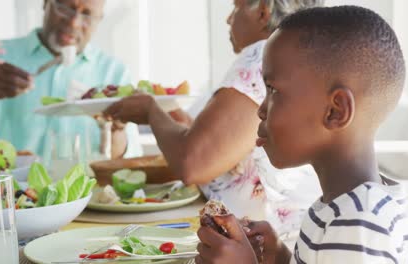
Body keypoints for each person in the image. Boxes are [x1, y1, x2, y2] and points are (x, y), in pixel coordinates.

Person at [195, 6, 408, 264]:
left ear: (335, 111)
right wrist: (280, 256)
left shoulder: (359, 224)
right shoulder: (339, 206)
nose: (261, 109)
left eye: (274, 90)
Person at [104, 0, 323, 234]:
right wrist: (183, 128)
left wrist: (151, 111)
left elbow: (193, 165)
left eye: (236, 8)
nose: (228, 19)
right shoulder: (304, 59)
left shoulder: (261, 55)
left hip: (259, 243)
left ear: (262, 12)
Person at [0, 0, 142, 159]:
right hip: (13, 182)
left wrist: (116, 129)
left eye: (87, 14)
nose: (74, 22)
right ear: (46, 3)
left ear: (99, 20)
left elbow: (126, 161)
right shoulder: (0, 55)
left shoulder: (115, 73)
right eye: (65, 8)